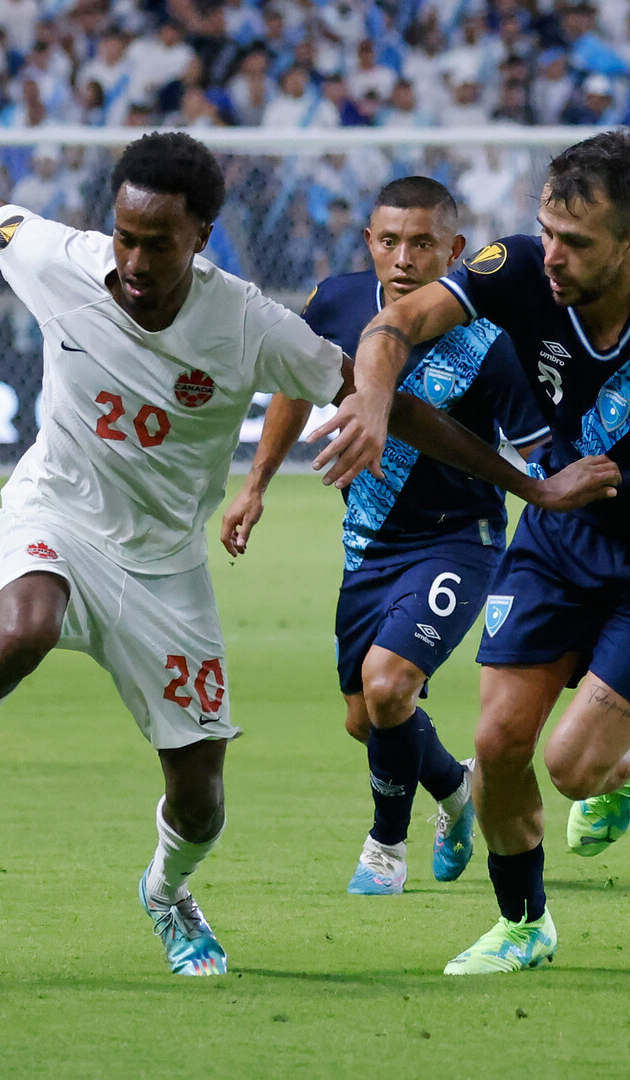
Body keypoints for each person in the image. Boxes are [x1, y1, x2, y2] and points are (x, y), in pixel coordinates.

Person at [0, 133, 619, 978]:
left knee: (202, 801)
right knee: (24, 626)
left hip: (164, 567)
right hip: (56, 513)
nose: (134, 260)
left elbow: (393, 408)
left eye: (158, 243)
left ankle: (167, 893)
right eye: (125, 236)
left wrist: (531, 487)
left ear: (201, 238)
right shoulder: (58, 259)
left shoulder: (246, 321)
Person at [312, 131, 630, 975]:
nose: (554, 256)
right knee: (500, 744)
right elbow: (395, 323)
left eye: (577, 243)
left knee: (574, 770)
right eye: (548, 231)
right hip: (561, 533)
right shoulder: (516, 265)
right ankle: (524, 923)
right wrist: (369, 399)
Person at [222, 177, 547, 897]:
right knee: (364, 720)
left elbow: (540, 453)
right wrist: (255, 484)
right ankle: (459, 790)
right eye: (389, 241)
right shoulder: (336, 303)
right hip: (368, 544)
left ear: (456, 250)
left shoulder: (488, 340)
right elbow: (294, 386)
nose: (403, 258)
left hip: (460, 539)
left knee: (388, 685)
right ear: (369, 241)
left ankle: (384, 847)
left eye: (423, 243)